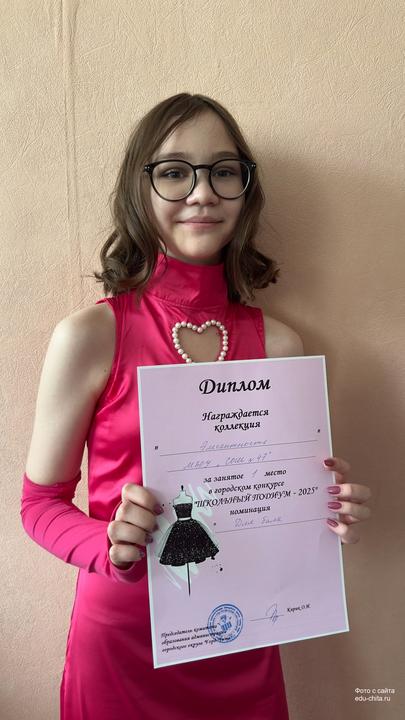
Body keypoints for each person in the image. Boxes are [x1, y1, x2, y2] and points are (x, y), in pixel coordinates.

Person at [20, 93, 372, 720]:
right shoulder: (91, 336)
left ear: (245, 190)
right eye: (175, 171)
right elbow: (38, 505)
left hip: (245, 637)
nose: (203, 192)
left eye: (223, 171)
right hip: (124, 650)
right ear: (140, 189)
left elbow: (274, 503)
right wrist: (108, 543)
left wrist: (321, 507)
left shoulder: (281, 345)